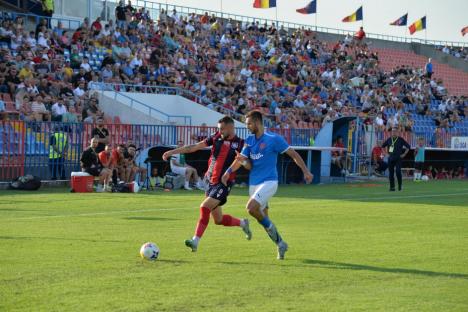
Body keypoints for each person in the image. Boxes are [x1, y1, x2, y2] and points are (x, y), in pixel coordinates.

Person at [221, 111, 313, 260]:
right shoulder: (250, 140)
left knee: (250, 208)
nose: (248, 126)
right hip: (254, 185)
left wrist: (306, 171)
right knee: (264, 220)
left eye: (249, 123)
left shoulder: (274, 139)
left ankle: (280, 243)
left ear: (257, 122)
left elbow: (293, 154)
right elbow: (242, 160)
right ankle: (281, 244)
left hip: (269, 182)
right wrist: (228, 171)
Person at [162, 116, 252, 252]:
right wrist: (172, 151)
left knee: (204, 207)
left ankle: (195, 241)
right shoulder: (216, 137)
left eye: (222, 129)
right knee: (219, 220)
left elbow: (245, 164)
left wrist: (240, 163)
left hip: (224, 183)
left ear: (231, 127)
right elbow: (194, 147)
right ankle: (243, 223)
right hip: (210, 182)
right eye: (219, 129)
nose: (219, 131)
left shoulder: (240, 144)